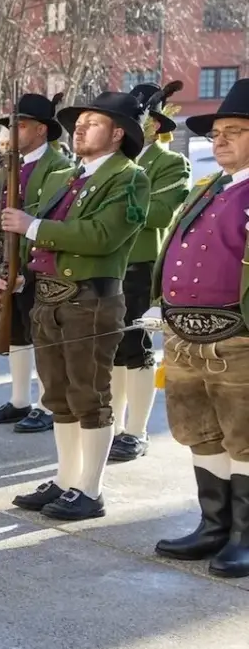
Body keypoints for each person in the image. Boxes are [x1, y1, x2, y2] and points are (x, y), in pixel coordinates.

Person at [0, 90, 148, 521]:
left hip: (91, 299)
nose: (80, 128)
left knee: (89, 395)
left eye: (93, 122)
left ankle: (90, 489)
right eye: (78, 122)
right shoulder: (73, 175)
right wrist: (25, 270)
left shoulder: (129, 176)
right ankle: (67, 479)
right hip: (51, 295)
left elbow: (102, 236)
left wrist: (33, 226)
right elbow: (53, 237)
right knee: (58, 396)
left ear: (118, 134)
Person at [152, 78, 249, 578]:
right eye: (218, 133)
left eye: (236, 131)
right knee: (201, 432)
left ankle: (244, 535)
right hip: (185, 334)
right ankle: (213, 526)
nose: (222, 140)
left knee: (244, 436)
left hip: (238, 336)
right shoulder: (212, 186)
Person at [0, 93, 72, 434]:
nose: (13, 132)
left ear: (42, 130)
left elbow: (44, 213)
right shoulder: (10, 164)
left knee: (42, 334)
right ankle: (20, 400)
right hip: (7, 257)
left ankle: (48, 404)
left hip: (35, 259)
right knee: (15, 329)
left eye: (22, 125)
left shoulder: (59, 167)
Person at [108, 83, 191, 463]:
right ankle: (111, 425)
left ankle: (135, 430)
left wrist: (113, 203)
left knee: (136, 349)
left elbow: (159, 214)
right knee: (110, 350)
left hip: (140, 265)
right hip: (107, 264)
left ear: (155, 126)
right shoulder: (110, 163)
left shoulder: (171, 163)